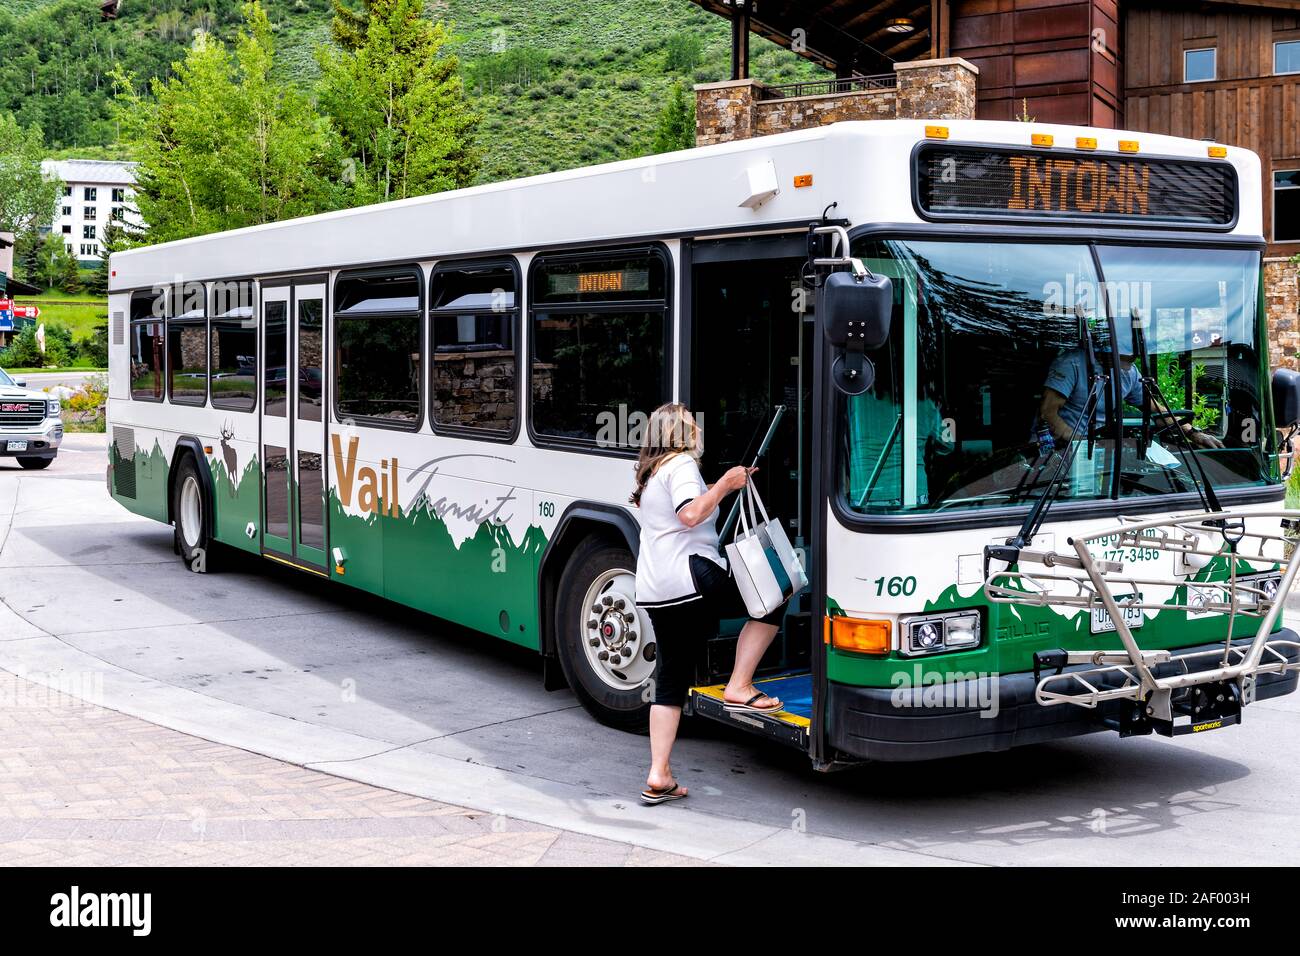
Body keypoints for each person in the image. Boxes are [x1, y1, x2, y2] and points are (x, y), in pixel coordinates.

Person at [630, 402, 790, 805]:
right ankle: (738, 685)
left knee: (671, 677)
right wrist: (725, 484)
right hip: (689, 577)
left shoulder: (650, 474)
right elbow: (689, 515)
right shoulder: (681, 465)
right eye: (690, 422)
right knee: (772, 598)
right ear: (678, 433)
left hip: (656, 588)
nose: (698, 429)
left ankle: (658, 774)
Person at [1038, 346, 1223, 450]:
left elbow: (1155, 409)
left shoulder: (1129, 372)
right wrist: (1078, 441)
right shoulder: (1072, 363)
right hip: (1056, 447)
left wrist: (1193, 433)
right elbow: (1048, 412)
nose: (1134, 355)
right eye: (1127, 350)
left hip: (1095, 448)